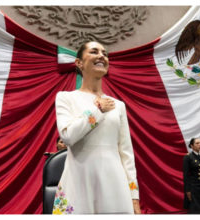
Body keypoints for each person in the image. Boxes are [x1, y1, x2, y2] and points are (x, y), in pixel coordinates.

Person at [53, 41, 140, 214]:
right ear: (79, 63)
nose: (101, 56)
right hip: (78, 181)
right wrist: (97, 110)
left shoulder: (118, 105)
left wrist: (134, 195)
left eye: (105, 53)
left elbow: (126, 154)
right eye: (94, 52)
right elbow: (68, 137)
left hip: (114, 183)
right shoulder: (65, 98)